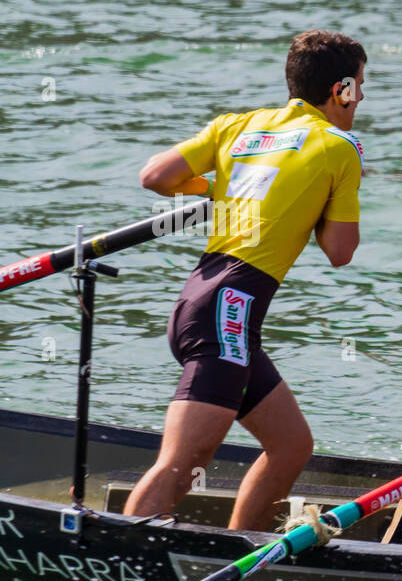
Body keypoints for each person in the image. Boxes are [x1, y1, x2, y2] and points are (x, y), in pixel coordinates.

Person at [124, 30, 367, 530]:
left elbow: (155, 177)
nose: (361, 97)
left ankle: (246, 553)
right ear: (341, 90)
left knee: (291, 445)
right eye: (360, 85)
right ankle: (124, 562)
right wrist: (319, 202)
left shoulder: (238, 126)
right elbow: (340, 252)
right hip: (229, 311)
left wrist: (220, 184)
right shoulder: (338, 147)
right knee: (181, 464)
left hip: (203, 300)